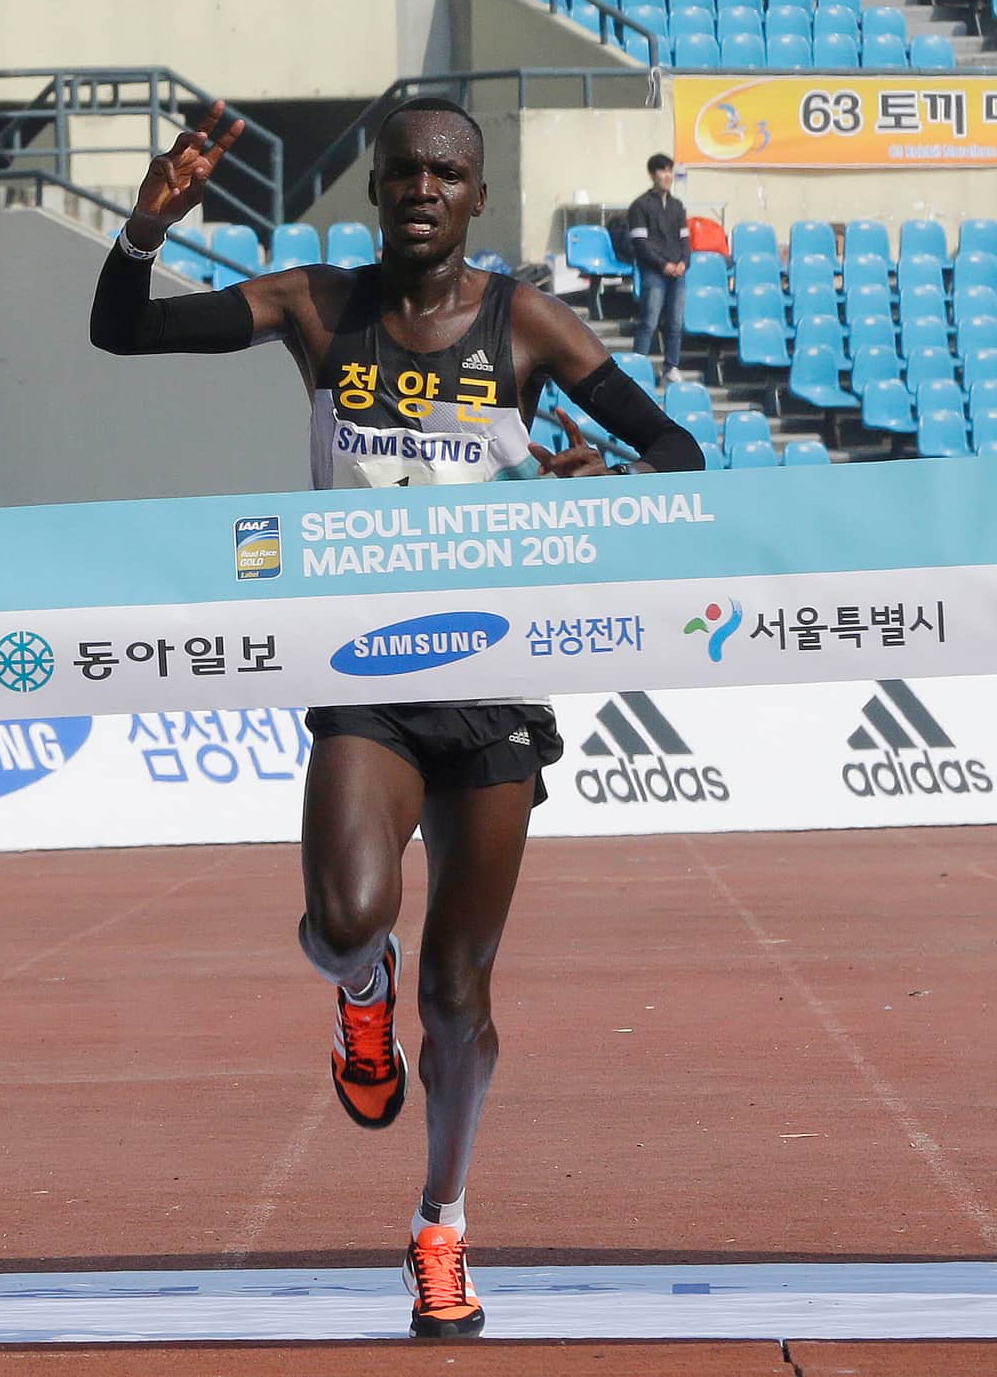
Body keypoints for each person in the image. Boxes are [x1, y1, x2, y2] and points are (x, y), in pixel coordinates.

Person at [90, 96, 702, 1339]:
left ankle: (441, 1222)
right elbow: (122, 335)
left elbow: (680, 454)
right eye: (400, 171)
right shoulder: (317, 305)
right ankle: (350, 985)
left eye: (446, 172)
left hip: (494, 685)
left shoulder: (524, 321)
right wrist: (145, 229)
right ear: (375, 191)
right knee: (340, 920)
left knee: (460, 999)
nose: (421, 187)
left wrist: (580, 492)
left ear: (477, 198)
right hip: (363, 670)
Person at [628, 152, 690, 386]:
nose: (667, 176)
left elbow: (685, 240)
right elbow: (640, 244)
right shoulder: (640, 206)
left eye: (670, 171)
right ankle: (636, 368)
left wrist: (684, 262)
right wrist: (663, 265)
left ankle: (671, 367)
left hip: (678, 274)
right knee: (649, 322)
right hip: (654, 273)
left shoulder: (677, 206)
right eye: (663, 171)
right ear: (653, 175)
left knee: (676, 322)